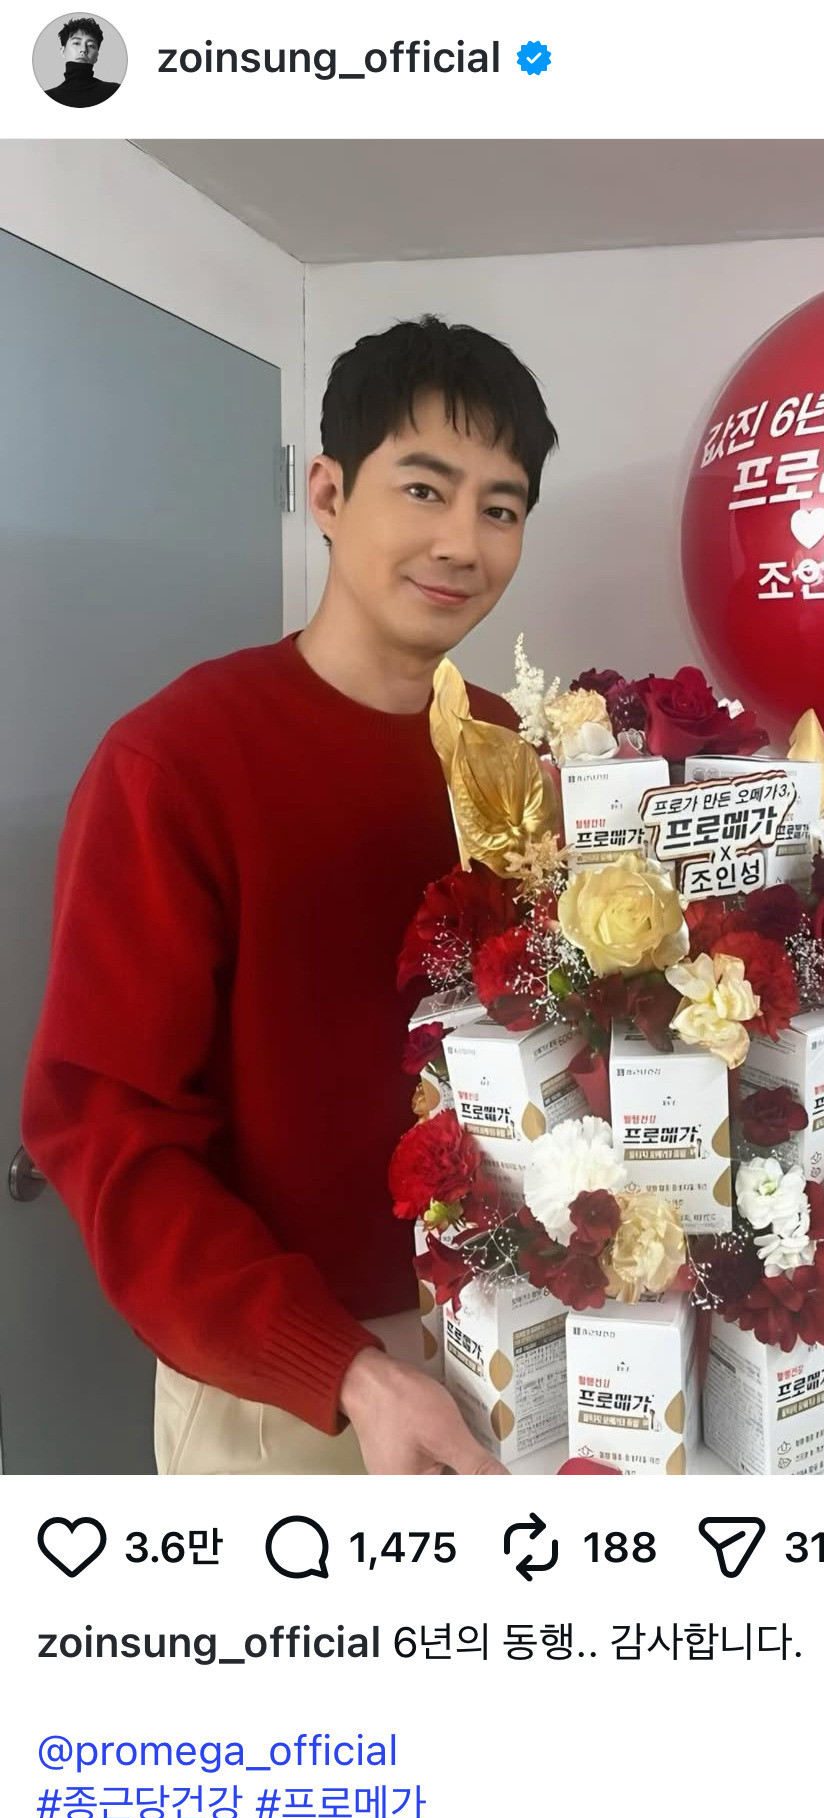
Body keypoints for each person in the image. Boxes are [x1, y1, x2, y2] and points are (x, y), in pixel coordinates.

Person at [22, 315, 559, 1475]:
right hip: (287, 1387)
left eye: (501, 508)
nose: (461, 542)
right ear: (328, 491)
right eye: (424, 488)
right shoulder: (178, 762)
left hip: (517, 1346)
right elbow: (109, 1134)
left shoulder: (515, 752)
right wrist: (343, 1366)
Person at [45, 16, 120, 107]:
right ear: (63, 51)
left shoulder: (115, 91)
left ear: (97, 56)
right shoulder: (48, 97)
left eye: (91, 45)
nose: (83, 50)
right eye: (76, 43)